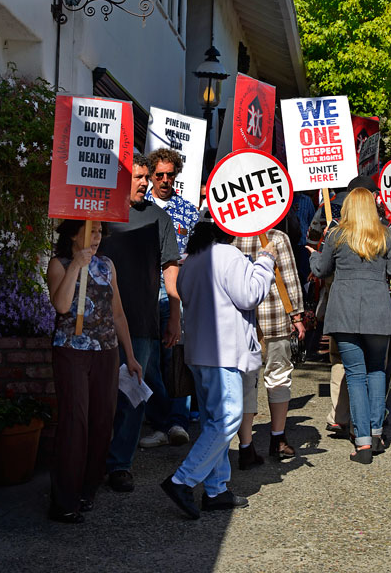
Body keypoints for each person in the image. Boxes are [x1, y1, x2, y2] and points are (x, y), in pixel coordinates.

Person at [160, 211, 276, 519]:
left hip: (199, 350)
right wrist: (265, 262)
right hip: (223, 351)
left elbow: (183, 291)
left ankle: (216, 489)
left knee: (214, 422)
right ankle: (182, 480)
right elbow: (250, 295)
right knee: (227, 420)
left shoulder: (192, 258)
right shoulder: (228, 255)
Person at [47, 220, 142, 523]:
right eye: (91, 231)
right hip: (72, 350)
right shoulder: (59, 263)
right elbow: (61, 306)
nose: (97, 237)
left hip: (106, 351)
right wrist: (77, 264)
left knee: (102, 423)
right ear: (73, 234)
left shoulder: (107, 265)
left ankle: (87, 490)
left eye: (100, 231)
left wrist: (130, 355)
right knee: (75, 423)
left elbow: (117, 313)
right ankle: (64, 501)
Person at [309, 188, 391, 464]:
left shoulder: (336, 235)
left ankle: (363, 444)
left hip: (345, 313)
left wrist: (312, 255)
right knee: (378, 372)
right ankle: (376, 434)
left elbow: (320, 270)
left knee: (355, 375)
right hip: (378, 313)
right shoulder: (385, 234)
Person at [100, 154, 181, 494]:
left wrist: (174, 314)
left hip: (141, 321)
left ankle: (120, 464)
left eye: (146, 176)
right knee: (103, 395)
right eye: (137, 177)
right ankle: (94, 458)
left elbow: (171, 266)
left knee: (132, 395)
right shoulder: (103, 213)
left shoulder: (158, 219)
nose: (145, 182)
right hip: (99, 320)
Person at [140, 148, 200, 448]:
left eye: (170, 174)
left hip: (176, 289)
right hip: (142, 288)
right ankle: (160, 420)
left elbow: (196, 253)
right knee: (147, 357)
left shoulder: (189, 211)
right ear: (150, 175)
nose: (165, 180)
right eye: (159, 174)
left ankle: (178, 422)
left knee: (175, 355)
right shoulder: (139, 206)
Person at [233, 229, 305, 467]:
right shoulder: (277, 236)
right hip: (274, 315)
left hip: (239, 319)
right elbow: (290, 278)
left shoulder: (228, 234)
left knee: (245, 382)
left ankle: (246, 445)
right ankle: (277, 438)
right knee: (279, 377)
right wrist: (296, 316)